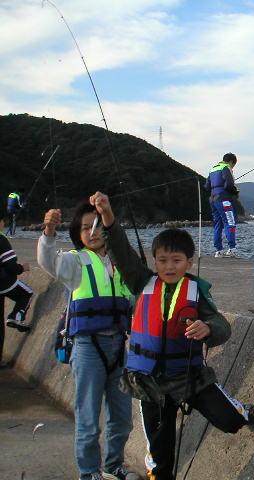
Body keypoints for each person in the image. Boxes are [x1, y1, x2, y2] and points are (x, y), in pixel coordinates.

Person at [89, 191, 254, 480]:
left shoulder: (196, 291)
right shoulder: (140, 281)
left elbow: (221, 324)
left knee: (228, 421)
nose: (169, 267)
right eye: (162, 260)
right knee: (161, 462)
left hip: (190, 378)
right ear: (155, 262)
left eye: (177, 260)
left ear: (189, 262)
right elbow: (121, 251)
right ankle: (153, 460)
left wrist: (208, 328)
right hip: (149, 383)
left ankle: (241, 411)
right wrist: (107, 216)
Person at [38, 204, 138, 480]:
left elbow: (137, 296)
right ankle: (89, 472)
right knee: (88, 419)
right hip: (87, 348)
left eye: (98, 226)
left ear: (107, 229)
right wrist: (48, 231)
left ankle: (113, 466)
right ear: (77, 233)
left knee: (122, 417)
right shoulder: (74, 262)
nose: (93, 232)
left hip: (119, 347)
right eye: (85, 227)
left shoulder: (121, 263)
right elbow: (47, 262)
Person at [0, 213, 33, 333]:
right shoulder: (1, 240)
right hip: (4, 282)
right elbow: (11, 266)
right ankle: (16, 318)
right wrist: (22, 268)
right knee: (27, 293)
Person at [205, 153, 240, 258]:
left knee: (218, 225)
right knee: (230, 222)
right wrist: (235, 192)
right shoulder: (226, 167)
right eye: (233, 165)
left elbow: (207, 186)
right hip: (224, 199)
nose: (232, 167)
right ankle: (232, 249)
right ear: (231, 162)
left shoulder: (212, 169)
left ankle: (218, 251)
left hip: (213, 200)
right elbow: (229, 184)